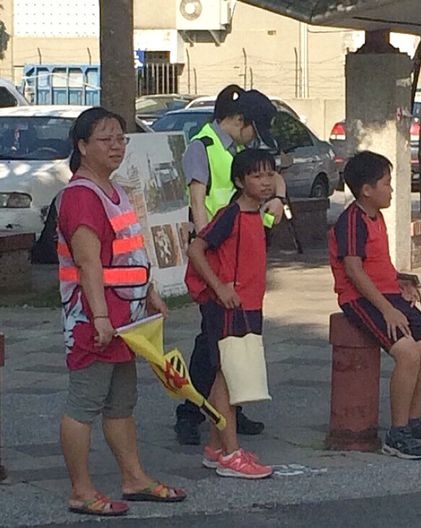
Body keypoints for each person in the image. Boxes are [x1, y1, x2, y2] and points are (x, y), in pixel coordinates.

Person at [57, 107, 186, 516]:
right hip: (95, 319)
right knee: (85, 403)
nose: (116, 147)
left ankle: (134, 478)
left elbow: (128, 249)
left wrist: (149, 292)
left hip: (126, 318)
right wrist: (99, 318)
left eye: (120, 139)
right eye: (105, 140)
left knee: (120, 402)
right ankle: (81, 490)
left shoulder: (116, 191)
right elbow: (88, 263)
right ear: (82, 146)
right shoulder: (81, 196)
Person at [175, 85, 286, 445]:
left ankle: (228, 415)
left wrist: (279, 198)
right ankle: (192, 414)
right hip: (217, 258)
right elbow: (197, 202)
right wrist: (211, 265)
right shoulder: (203, 147)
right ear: (239, 121)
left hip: (240, 258)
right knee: (213, 349)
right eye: (254, 129)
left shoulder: (238, 150)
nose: (254, 138)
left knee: (230, 346)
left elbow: (274, 174)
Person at [329, 151, 421, 460]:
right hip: (361, 300)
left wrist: (401, 280)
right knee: (408, 353)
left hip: (389, 294)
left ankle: (413, 420)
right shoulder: (351, 221)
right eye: (386, 183)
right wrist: (386, 308)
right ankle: (396, 434)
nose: (392, 190)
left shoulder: (376, 216)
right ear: (366, 190)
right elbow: (355, 271)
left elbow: (379, 264)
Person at [184, 149, 278, 479]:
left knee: (228, 377)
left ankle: (217, 447)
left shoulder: (256, 215)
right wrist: (220, 287)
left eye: (269, 175)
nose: (265, 182)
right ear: (239, 181)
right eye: (257, 176)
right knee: (229, 376)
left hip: (248, 304)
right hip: (229, 306)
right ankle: (231, 452)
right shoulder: (231, 214)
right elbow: (197, 248)